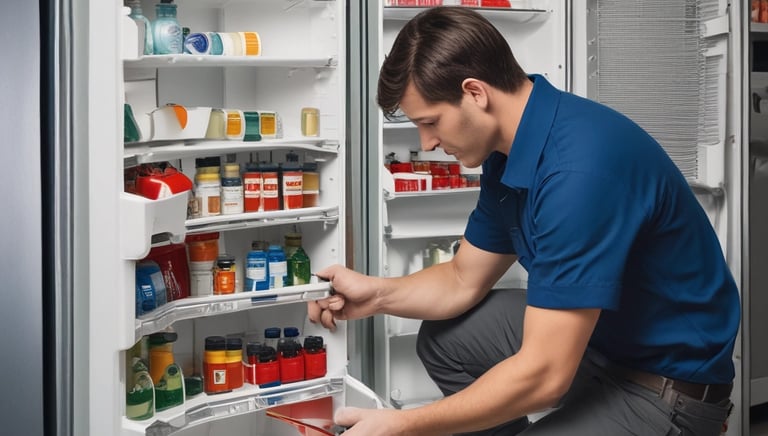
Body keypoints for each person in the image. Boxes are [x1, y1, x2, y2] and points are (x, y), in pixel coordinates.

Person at [309, 6, 739, 436]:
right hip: (600, 345)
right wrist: (378, 295)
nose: (429, 143)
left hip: (664, 389)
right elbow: (462, 278)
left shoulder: (578, 172)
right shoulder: (509, 152)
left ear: (475, 92)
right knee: (447, 339)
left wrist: (405, 425)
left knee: (536, 376)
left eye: (430, 122)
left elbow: (547, 377)